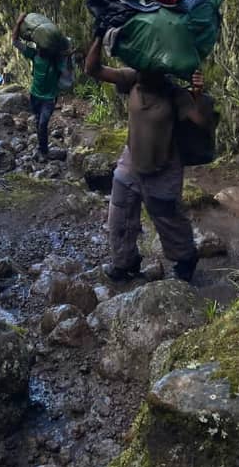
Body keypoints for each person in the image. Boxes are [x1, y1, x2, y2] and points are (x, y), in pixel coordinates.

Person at [85, 34, 214, 283]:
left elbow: (200, 121)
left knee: (167, 218)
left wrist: (197, 93)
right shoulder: (131, 78)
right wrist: (99, 35)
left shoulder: (174, 93)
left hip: (163, 167)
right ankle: (125, 262)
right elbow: (93, 69)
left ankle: (186, 258)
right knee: (119, 214)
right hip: (131, 161)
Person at [12, 12, 64, 161]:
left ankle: (44, 152)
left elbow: (68, 58)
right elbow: (15, 41)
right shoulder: (34, 55)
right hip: (35, 95)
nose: (40, 48)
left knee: (42, 124)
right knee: (37, 121)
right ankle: (42, 146)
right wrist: (19, 22)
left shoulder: (57, 60)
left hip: (49, 99)